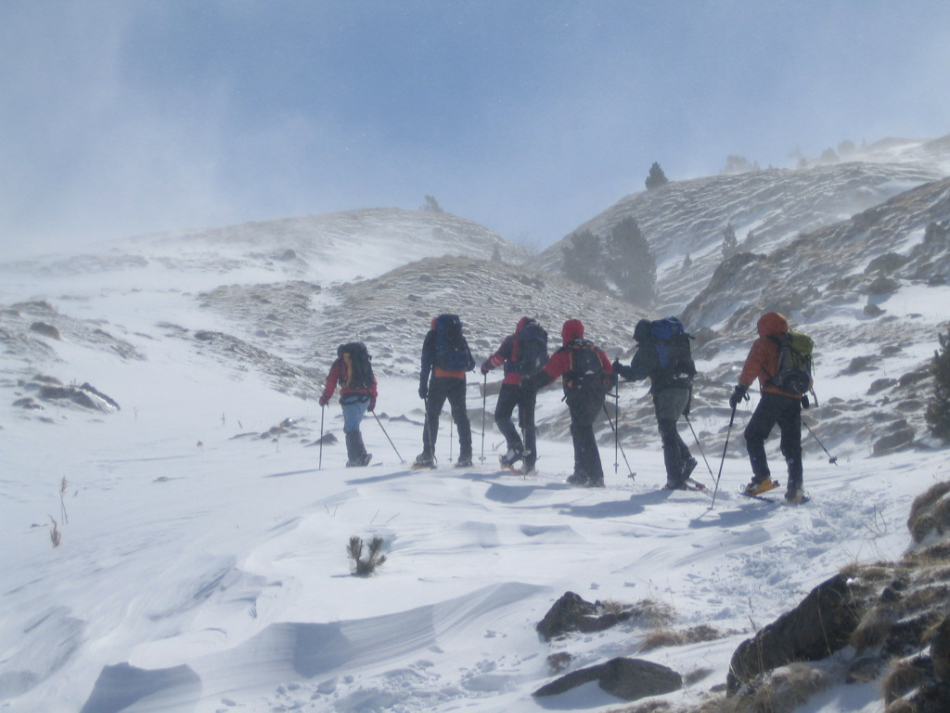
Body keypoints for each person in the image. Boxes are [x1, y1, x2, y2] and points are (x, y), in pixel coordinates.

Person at [522, 319, 613, 487]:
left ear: (565, 333)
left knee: (583, 431)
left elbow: (548, 375)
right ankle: (581, 472)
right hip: (597, 396)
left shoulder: (566, 352)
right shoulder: (595, 349)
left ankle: (595, 476)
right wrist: (602, 388)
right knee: (580, 429)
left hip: (578, 397)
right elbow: (609, 371)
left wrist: (530, 382)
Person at [729, 312, 809, 502]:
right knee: (792, 445)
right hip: (794, 398)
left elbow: (752, 367)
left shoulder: (764, 343)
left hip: (773, 396)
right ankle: (796, 489)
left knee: (753, 435)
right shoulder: (795, 344)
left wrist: (740, 389)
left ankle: (762, 478)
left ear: (765, 327)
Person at [615, 318, 698, 490]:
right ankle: (685, 460)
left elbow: (636, 374)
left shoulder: (649, 346)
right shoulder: (673, 341)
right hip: (684, 389)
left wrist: (618, 369)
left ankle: (675, 478)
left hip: (667, 392)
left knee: (667, 433)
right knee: (669, 429)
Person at [481, 317, 548, 474]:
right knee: (527, 424)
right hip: (530, 385)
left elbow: (498, 358)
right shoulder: (540, 342)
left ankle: (516, 446)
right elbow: (545, 362)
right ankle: (529, 464)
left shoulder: (513, 339)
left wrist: (486, 366)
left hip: (511, 383)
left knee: (501, 416)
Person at [414, 314, 476, 467]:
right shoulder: (459, 337)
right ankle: (466, 455)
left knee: (432, 416)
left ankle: (428, 454)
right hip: (459, 380)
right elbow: (471, 363)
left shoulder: (432, 336)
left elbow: (426, 362)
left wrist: (423, 385)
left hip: (439, 379)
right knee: (461, 416)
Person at [318, 342, 377, 467]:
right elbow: (372, 381)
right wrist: (372, 399)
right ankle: (360, 456)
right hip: (365, 398)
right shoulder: (363, 360)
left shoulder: (339, 363)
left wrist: (325, 398)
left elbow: (331, 381)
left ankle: (355, 459)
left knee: (351, 428)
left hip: (350, 399)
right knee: (353, 427)